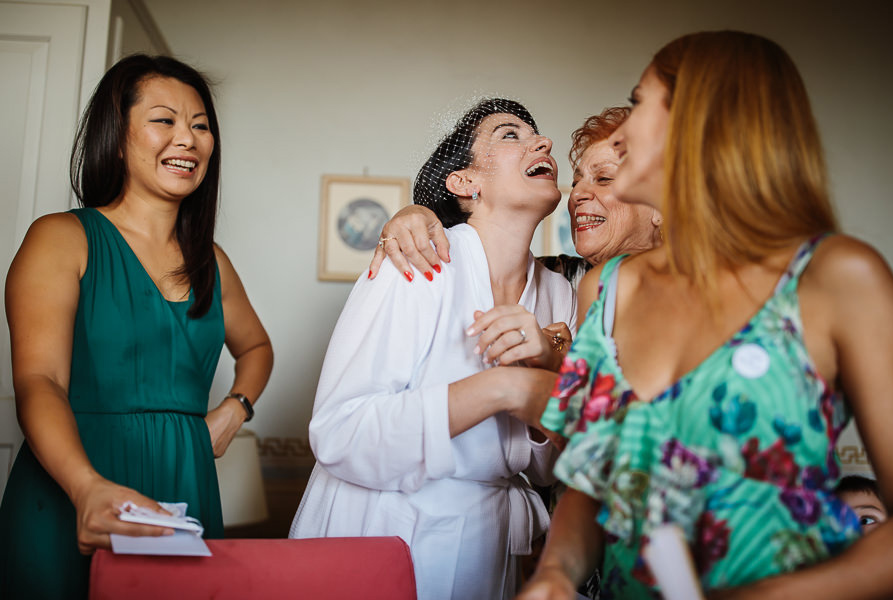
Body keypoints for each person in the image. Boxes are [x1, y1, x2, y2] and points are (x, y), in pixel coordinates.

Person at [519, 30, 893, 599]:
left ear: (702, 121)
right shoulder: (606, 289)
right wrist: (554, 575)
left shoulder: (837, 277)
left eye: (640, 102)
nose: (621, 133)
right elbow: (591, 484)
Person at [0, 54, 274, 600]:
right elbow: (40, 382)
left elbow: (258, 347)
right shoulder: (61, 238)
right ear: (117, 135)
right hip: (74, 481)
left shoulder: (212, 262)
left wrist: (233, 410)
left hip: (185, 484)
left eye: (201, 126)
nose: (188, 139)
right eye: (164, 120)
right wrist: (86, 488)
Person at [289, 98, 576, 600]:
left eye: (538, 135)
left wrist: (536, 412)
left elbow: (549, 467)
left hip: (489, 549)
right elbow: (340, 433)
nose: (543, 142)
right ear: (465, 183)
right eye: (510, 134)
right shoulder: (418, 258)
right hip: (380, 534)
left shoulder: (559, 293)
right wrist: (501, 387)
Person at [368, 107, 662, 309]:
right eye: (575, 183)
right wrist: (416, 214)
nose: (577, 195)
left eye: (605, 178)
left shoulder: (704, 292)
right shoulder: (559, 282)